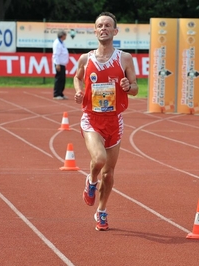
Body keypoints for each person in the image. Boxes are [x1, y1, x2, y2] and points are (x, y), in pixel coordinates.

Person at [73, 11, 138, 231]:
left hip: (115, 121)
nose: (103, 28)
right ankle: (91, 181)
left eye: (107, 25)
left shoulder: (125, 58)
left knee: (109, 174)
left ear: (115, 31)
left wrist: (129, 87)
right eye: (99, 25)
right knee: (99, 160)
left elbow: (136, 87)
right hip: (92, 119)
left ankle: (101, 211)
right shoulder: (86, 58)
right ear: (94, 31)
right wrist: (79, 91)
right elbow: (77, 76)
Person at [52, 30, 69, 100]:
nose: (66, 37)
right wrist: (57, 64)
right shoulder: (57, 43)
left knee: (62, 79)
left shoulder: (61, 43)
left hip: (62, 64)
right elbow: (56, 54)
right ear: (62, 36)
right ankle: (56, 94)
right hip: (59, 64)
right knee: (59, 79)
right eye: (65, 35)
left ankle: (61, 93)